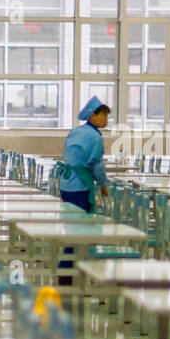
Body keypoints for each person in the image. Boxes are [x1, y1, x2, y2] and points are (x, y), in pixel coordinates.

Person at [53, 96, 111, 285]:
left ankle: (68, 268)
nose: (106, 120)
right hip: (81, 185)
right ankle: (69, 271)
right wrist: (103, 185)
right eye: (103, 115)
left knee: (71, 225)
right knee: (80, 229)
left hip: (67, 182)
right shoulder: (95, 137)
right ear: (93, 115)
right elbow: (96, 165)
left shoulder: (76, 132)